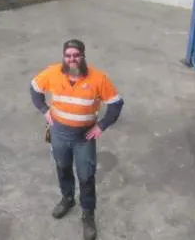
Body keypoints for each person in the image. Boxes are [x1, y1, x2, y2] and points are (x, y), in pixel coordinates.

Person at [30, 39, 124, 240]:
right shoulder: (52, 72)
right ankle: (67, 198)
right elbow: (34, 88)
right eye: (68, 55)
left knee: (86, 176)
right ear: (64, 56)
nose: (72, 59)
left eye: (76, 55)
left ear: (83, 56)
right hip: (59, 133)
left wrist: (102, 125)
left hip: (84, 137)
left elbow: (116, 103)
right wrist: (44, 110)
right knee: (62, 167)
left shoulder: (99, 79)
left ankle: (88, 214)